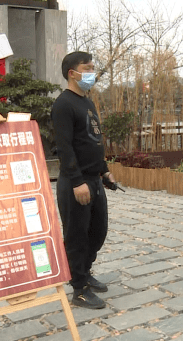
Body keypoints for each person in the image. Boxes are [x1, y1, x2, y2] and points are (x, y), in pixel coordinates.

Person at [51, 51, 114, 309]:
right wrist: (77, 182)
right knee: (76, 236)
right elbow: (65, 148)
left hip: (94, 179)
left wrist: (104, 170)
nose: (91, 73)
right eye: (86, 68)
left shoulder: (87, 102)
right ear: (72, 73)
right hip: (75, 182)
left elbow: (93, 140)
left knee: (97, 231)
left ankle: (85, 271)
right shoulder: (63, 104)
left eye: (92, 68)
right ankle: (78, 289)